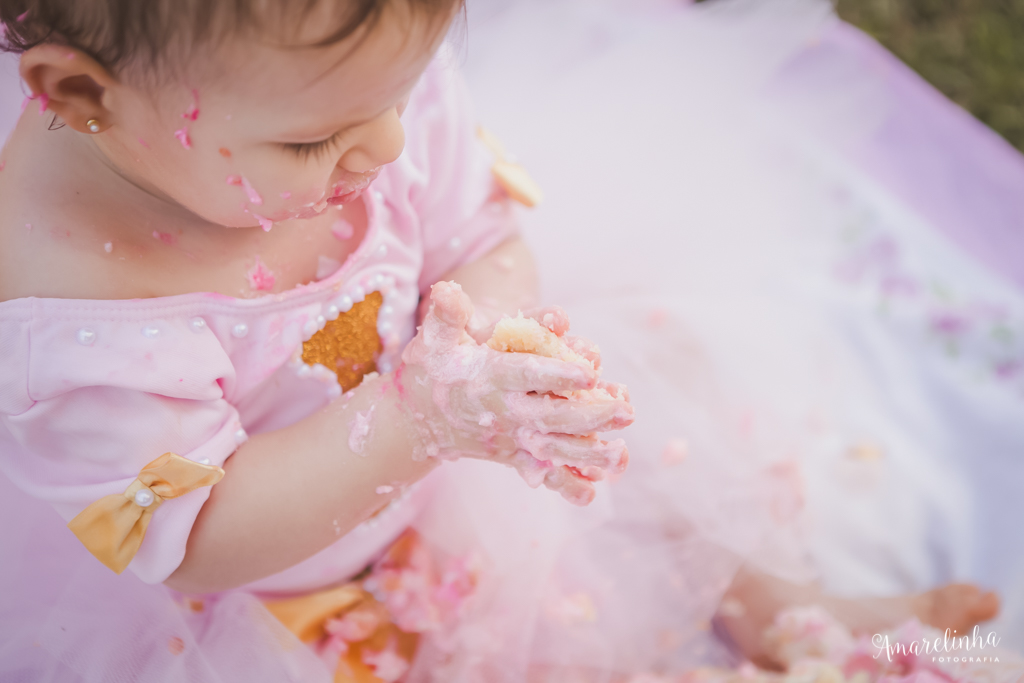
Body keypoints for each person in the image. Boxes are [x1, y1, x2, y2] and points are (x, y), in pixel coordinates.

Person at [0, 1, 1001, 681]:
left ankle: (789, 608)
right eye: (315, 140)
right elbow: (199, 540)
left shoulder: (348, 93)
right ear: (82, 95)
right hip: (274, 585)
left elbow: (482, 232)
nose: (390, 146)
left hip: (452, 442)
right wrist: (412, 419)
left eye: (402, 94)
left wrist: (490, 357)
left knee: (648, 453)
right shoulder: (83, 321)